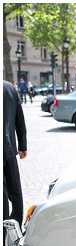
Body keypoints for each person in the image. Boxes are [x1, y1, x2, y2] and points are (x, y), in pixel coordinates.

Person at [3, 80, 28, 230]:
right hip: (10, 148)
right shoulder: (9, 88)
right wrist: (22, 146)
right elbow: (20, 120)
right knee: (15, 188)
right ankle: (17, 224)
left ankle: (4, 232)